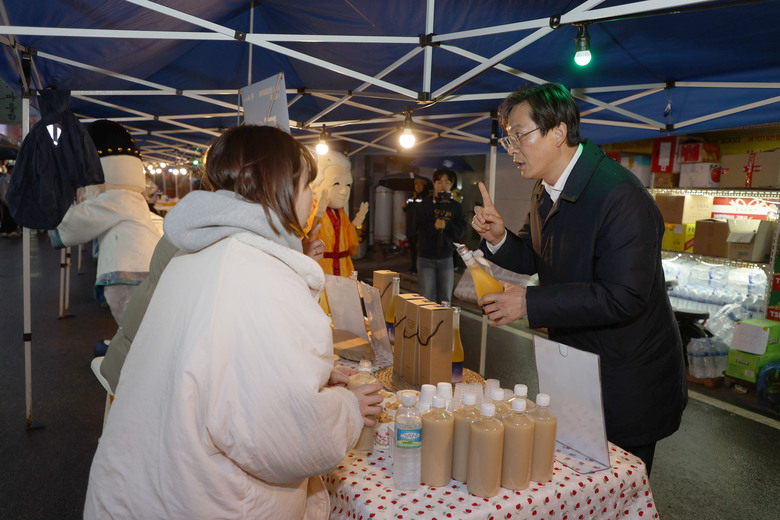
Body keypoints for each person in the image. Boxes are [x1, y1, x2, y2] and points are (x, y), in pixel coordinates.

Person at [84, 125, 381, 519]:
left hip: (148, 488)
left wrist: (316, 378)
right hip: (203, 499)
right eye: (308, 186)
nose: (313, 200)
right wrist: (347, 408)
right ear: (283, 187)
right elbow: (284, 437)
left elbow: (221, 374)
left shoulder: (199, 253)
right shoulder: (263, 274)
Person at [471, 82, 687, 475]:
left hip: (626, 377)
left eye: (519, 134)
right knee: (578, 483)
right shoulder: (545, 190)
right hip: (577, 364)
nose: (512, 148)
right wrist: (499, 237)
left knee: (617, 492)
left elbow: (624, 296)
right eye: (507, 139)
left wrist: (529, 302)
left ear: (558, 132)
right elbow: (536, 256)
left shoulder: (619, 196)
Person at [50, 120, 162, 327]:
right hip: (148, 269)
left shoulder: (114, 199)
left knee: (132, 325)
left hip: (127, 271)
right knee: (144, 325)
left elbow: (72, 224)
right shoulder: (134, 199)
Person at [414, 168, 466, 304]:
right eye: (439, 182)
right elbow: (416, 228)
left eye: (447, 182)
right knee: (426, 298)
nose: (443, 185)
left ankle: (443, 325)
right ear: (434, 183)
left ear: (451, 184)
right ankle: (426, 325)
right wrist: (433, 226)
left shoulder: (456, 207)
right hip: (426, 257)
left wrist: (446, 226)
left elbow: (461, 230)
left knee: (445, 298)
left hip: (446, 258)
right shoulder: (425, 205)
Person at [402, 177, 429, 274]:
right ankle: (413, 267)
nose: (417, 186)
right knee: (413, 250)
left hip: (420, 229)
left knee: (420, 250)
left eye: (420, 185)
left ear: (424, 186)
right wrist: (404, 206)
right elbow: (406, 210)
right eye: (416, 185)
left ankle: (420, 268)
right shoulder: (410, 197)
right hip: (410, 228)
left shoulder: (427, 198)